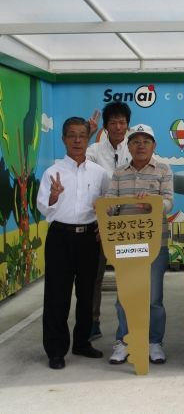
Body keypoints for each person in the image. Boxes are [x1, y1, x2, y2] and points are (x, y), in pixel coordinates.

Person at [37, 117, 110, 370]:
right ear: (64, 139)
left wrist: (102, 224)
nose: (77, 140)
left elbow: (106, 204)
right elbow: (44, 208)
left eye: (82, 135)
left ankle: (82, 342)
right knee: (57, 295)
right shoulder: (52, 173)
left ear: (88, 139)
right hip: (60, 237)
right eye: (72, 135)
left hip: (89, 238)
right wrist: (54, 195)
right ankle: (56, 350)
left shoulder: (99, 173)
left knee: (87, 292)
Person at [105, 124, 173, 365]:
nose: (140, 146)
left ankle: (154, 342)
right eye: (135, 141)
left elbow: (168, 202)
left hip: (155, 243)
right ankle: (124, 341)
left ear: (154, 146)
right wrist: (104, 208)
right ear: (128, 146)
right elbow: (111, 202)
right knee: (125, 295)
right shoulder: (119, 173)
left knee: (153, 297)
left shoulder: (163, 170)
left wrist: (152, 203)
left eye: (146, 141)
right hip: (125, 243)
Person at [86, 101, 132, 341]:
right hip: (99, 223)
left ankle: (130, 326)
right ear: (105, 126)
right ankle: (92, 323)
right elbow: (77, 163)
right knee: (94, 275)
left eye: (122, 122)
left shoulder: (135, 147)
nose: (118, 127)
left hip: (129, 223)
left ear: (128, 125)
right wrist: (88, 134)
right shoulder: (94, 151)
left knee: (129, 276)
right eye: (113, 122)